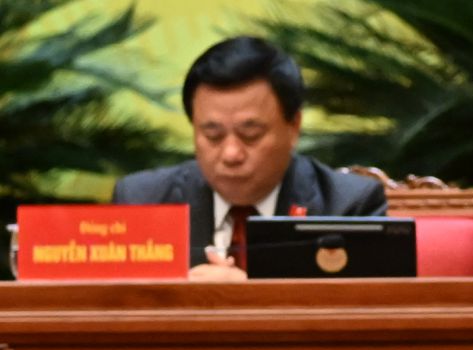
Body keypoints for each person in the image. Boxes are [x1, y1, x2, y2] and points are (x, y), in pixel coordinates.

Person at [112, 36, 387, 280]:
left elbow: (363, 319)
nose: (231, 154)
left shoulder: (347, 207)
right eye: (213, 135)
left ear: (294, 126)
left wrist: (248, 297)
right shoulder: (142, 202)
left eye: (251, 134)